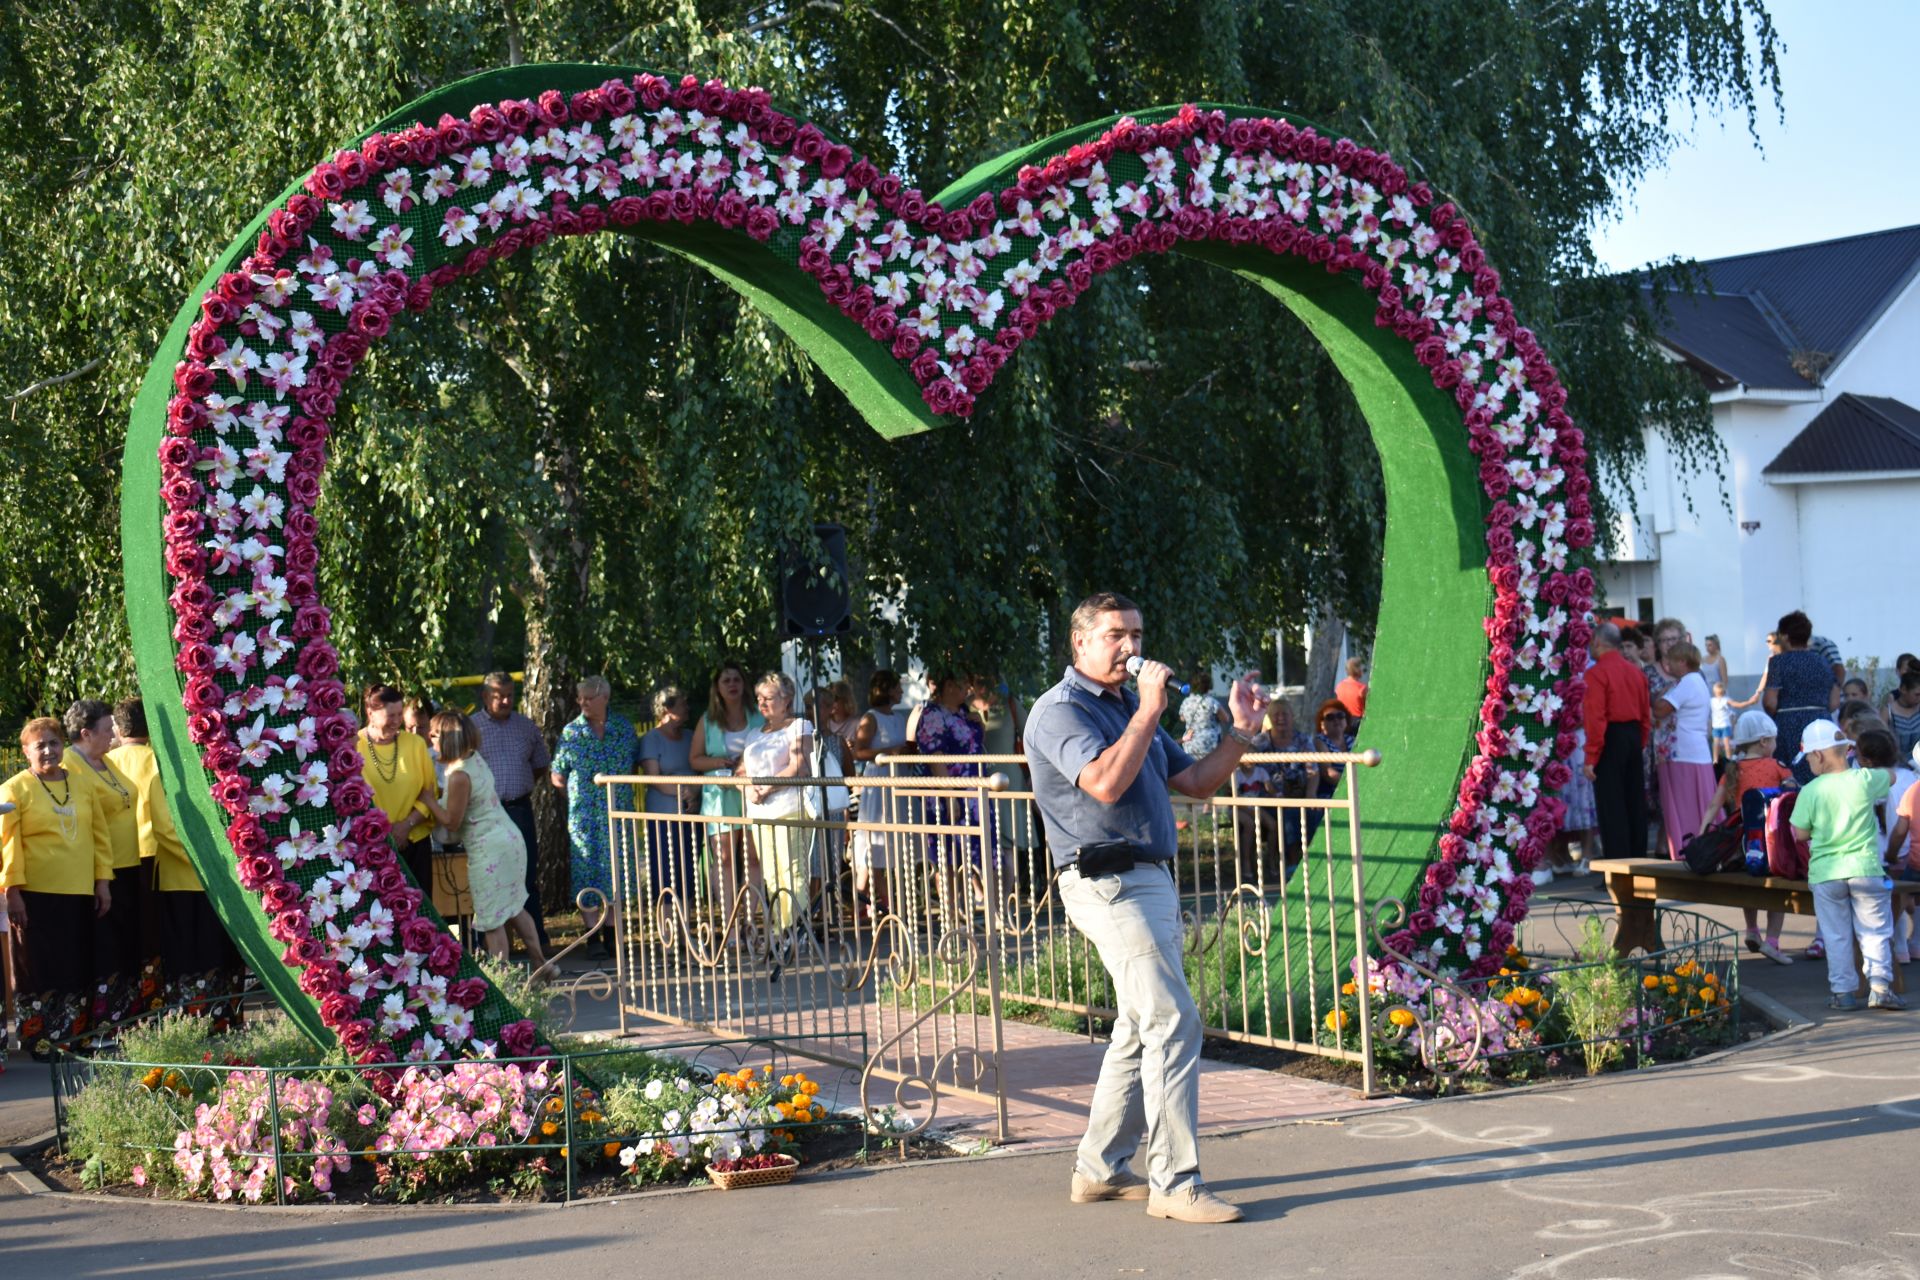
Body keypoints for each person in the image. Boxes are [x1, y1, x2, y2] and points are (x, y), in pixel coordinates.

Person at [1024, 592, 1265, 1224]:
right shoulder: (1059, 712)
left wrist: (1242, 730)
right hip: (1105, 881)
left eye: (1136, 633)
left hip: (1149, 877)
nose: (1131, 647)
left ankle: (1100, 1171)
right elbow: (1103, 782)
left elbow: (1194, 784)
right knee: (1172, 1021)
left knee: (1140, 1025)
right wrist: (1151, 711)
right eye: (1115, 636)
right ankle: (1175, 1184)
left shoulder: (1132, 706)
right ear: (1080, 644)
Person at [105, 698, 245, 1021]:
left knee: (198, 947)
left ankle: (217, 1012)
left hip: (141, 859)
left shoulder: (110, 763)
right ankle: (189, 1015)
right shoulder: (159, 763)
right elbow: (166, 827)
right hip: (174, 866)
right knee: (181, 947)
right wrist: (210, 861)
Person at [2, 718, 111, 1057]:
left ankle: (76, 1038)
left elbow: (99, 836)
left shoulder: (82, 785)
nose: (49, 750)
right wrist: (12, 890)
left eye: (54, 743)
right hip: (34, 895)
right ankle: (42, 1042)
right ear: (26, 752)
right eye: (40, 745)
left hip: (79, 892)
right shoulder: (14, 788)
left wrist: (103, 883)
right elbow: (7, 843)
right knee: (39, 967)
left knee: (76, 964)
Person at [418, 710, 551, 976]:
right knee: (514, 907)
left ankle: (501, 979)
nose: (430, 740)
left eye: (433, 735)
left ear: (446, 739)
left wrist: (429, 799)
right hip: (509, 839)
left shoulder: (458, 776)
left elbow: (452, 822)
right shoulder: (473, 759)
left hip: (488, 849)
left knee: (491, 919)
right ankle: (542, 965)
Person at [1789, 719, 1902, 1010]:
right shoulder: (1864, 779)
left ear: (1818, 755)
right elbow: (1890, 777)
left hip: (1827, 873)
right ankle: (1879, 987)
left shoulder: (1810, 790)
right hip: (1865, 868)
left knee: (1836, 935)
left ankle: (1843, 994)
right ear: (1845, 750)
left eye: (1809, 758)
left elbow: (1800, 833)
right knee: (1874, 931)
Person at [63, 699, 152, 1025]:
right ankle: (106, 1017)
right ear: (85, 733)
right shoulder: (71, 766)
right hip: (99, 869)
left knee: (126, 943)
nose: (113, 736)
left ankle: (125, 1015)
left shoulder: (104, 761)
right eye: (105, 731)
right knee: (106, 945)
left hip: (127, 864)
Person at [549, 675, 640, 953]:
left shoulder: (623, 729)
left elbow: (634, 765)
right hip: (585, 817)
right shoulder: (571, 732)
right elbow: (557, 774)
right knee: (586, 873)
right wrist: (577, 798)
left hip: (617, 812)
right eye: (580, 698)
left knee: (617, 873)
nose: (583, 702)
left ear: (605, 698)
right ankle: (592, 935)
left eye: (589, 697)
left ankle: (613, 936)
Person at [473, 672, 553, 952]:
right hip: (485, 814)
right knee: (489, 875)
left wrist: (521, 784)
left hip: (519, 808)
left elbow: (541, 765)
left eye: (509, 695)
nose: (505, 700)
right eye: (498, 696)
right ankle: (489, 945)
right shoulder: (472, 728)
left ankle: (538, 944)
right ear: (485, 696)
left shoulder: (525, 726)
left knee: (526, 874)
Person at [1709, 709, 1794, 964]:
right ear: (1764, 742)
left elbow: (1714, 805)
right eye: (1774, 740)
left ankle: (1752, 930)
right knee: (1778, 889)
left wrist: (1703, 831)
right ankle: (1773, 942)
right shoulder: (1777, 767)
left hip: (1742, 842)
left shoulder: (1733, 769)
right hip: (1772, 839)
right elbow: (1792, 793)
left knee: (1749, 884)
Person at [739, 672, 814, 935]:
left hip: (789, 807)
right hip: (759, 812)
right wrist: (748, 788)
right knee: (770, 874)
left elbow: (800, 766)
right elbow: (740, 771)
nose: (762, 703)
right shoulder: (753, 735)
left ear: (786, 700)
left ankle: (796, 930)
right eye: (758, 698)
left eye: (768, 697)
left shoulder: (799, 727)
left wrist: (768, 786)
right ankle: (778, 930)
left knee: (792, 870)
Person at [690, 662, 763, 919]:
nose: (732, 684)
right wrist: (718, 763)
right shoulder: (708, 720)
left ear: (744, 685)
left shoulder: (758, 716)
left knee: (754, 857)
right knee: (724, 859)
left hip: (753, 792)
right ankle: (730, 921)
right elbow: (695, 759)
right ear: (717, 688)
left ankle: (751, 919)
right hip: (719, 795)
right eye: (726, 681)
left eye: (736, 680)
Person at [357, 684, 439, 893]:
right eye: (390, 715)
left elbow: (430, 792)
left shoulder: (415, 744)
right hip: (371, 846)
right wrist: (383, 832)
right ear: (370, 714)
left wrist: (406, 825)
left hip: (414, 842)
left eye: (398, 715)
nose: (396, 722)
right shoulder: (354, 745)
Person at [1583, 622, 1652, 860]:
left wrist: (1591, 756)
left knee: (1611, 806)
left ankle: (1617, 867)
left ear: (1598, 643)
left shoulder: (1596, 674)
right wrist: (1640, 742)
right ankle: (1639, 861)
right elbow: (1646, 716)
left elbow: (1596, 717)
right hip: (1633, 737)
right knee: (1634, 803)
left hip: (1610, 739)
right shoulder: (1636, 672)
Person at [849, 669, 911, 915]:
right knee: (875, 841)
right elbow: (859, 751)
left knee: (893, 843)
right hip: (879, 783)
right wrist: (888, 754)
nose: (902, 691)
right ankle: (882, 903)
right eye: (897, 686)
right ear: (886, 689)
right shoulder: (871, 718)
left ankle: (878, 902)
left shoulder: (897, 718)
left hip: (899, 780)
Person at [916, 672, 988, 869]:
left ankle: (976, 899)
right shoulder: (933, 715)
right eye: (964, 683)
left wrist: (979, 723)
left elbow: (975, 746)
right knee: (949, 858)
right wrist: (950, 796)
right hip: (951, 795)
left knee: (977, 858)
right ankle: (953, 900)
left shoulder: (964, 712)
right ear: (948, 686)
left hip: (974, 793)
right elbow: (935, 756)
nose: (969, 689)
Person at [638, 685, 701, 910]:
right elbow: (653, 778)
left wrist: (694, 794)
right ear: (667, 708)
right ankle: (667, 933)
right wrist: (683, 792)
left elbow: (698, 768)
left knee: (688, 869)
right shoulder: (651, 739)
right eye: (682, 704)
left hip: (691, 814)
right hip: (663, 816)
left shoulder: (691, 736)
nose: (687, 708)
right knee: (665, 870)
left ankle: (686, 929)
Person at [1653, 642, 1716, 860]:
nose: (1667, 664)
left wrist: (1658, 696)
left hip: (1683, 754)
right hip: (1690, 753)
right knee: (1697, 803)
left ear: (1682, 661)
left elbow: (1661, 709)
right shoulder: (1694, 681)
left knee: (1684, 805)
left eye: (1670, 660)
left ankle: (1687, 849)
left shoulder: (1688, 682)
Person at [1858, 729, 1916, 964]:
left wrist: (1892, 853)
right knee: (1896, 903)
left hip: (1878, 857)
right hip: (1901, 853)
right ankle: (1900, 949)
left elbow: (1895, 825)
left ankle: (1890, 952)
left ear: (1867, 760)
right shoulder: (1908, 777)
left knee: (1882, 909)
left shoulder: (1864, 782)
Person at [1765, 612, 1841, 785]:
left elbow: (1770, 702)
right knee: (1822, 777)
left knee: (1792, 781)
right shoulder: (1822, 661)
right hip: (1821, 724)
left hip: (1788, 725)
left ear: (1784, 636)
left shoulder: (1778, 662)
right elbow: (1834, 702)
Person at [1177, 672, 1229, 758]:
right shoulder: (1211, 702)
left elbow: (1182, 718)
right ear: (1208, 686)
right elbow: (1225, 719)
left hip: (1190, 743)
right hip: (1209, 744)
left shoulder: (1186, 702)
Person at [1883, 670, 1920, 762]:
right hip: (1897, 766)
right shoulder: (1888, 712)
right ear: (1903, 689)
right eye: (1917, 694)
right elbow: (1880, 741)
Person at [1334, 657, 1369, 723]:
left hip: (1343, 722)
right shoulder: (1362, 688)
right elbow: (1368, 708)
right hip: (1357, 723)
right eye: (1360, 667)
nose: (1362, 670)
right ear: (1356, 670)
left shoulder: (1339, 686)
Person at [1709, 682, 1733, 763]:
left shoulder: (1725, 700)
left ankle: (1727, 759)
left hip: (1723, 725)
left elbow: (1732, 713)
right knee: (1717, 744)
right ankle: (1716, 760)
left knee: (1724, 744)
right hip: (1717, 726)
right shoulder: (1712, 701)